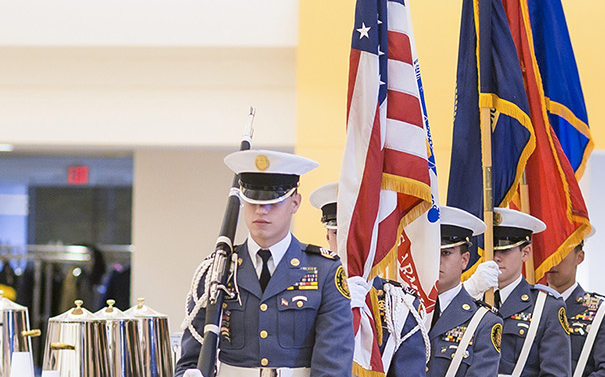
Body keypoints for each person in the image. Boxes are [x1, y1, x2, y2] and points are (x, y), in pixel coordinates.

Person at [175, 149, 353, 376]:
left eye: (274, 201)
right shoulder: (216, 271)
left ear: (295, 203)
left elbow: (333, 366)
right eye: (253, 200)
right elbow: (191, 360)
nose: (261, 209)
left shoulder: (325, 271)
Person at [308, 183, 426, 377]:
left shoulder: (399, 304)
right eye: (339, 233)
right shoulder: (304, 293)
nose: (348, 243)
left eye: (357, 234)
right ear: (327, 236)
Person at [479, 207, 571, 377]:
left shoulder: (547, 307)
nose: (496, 257)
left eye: (505, 250)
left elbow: (555, 373)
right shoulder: (473, 299)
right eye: (492, 249)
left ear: (526, 252)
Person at [422, 205, 501, 377]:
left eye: (446, 253)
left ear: (465, 260)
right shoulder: (404, 310)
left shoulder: (484, 322)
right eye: (432, 251)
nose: (437, 260)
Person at [542, 229, 605, 377]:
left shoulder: (600, 312)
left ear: (579, 257)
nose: (552, 261)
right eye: (548, 253)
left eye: (560, 253)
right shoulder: (532, 307)